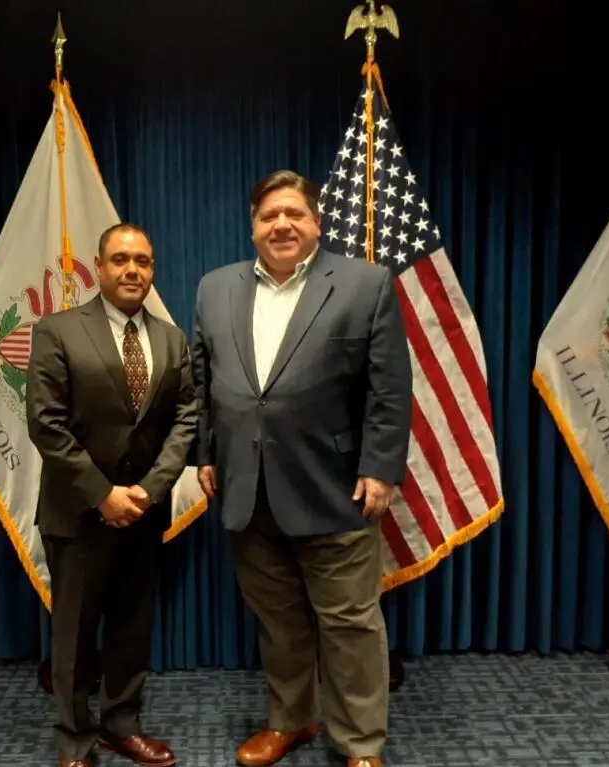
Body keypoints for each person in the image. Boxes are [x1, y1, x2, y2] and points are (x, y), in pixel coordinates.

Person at [191, 170, 412, 767]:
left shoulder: (366, 284)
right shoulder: (215, 288)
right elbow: (202, 383)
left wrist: (382, 467)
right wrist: (205, 456)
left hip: (335, 487)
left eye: (294, 214)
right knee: (279, 620)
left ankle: (360, 743)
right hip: (245, 489)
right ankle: (292, 721)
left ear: (317, 223)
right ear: (253, 226)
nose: (281, 225)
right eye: (268, 216)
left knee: (350, 625)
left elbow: (389, 388)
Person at [26, 223, 197, 767]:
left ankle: (122, 724)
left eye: (143, 261)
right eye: (120, 259)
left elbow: (187, 419)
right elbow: (45, 423)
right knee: (74, 634)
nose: (132, 270)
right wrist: (103, 494)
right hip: (78, 512)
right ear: (98, 267)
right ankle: (74, 739)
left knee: (131, 625)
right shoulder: (57, 331)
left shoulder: (171, 340)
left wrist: (147, 491)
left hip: (142, 515)